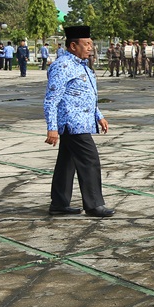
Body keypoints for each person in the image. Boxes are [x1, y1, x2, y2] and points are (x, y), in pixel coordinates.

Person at [44, 25, 112, 217]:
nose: (91, 47)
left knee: (67, 162)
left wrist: (99, 115)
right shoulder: (63, 65)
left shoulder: (81, 65)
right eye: (86, 44)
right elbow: (52, 99)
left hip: (82, 121)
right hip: (71, 122)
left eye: (91, 43)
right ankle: (93, 205)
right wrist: (52, 127)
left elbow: (85, 95)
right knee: (90, 160)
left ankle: (59, 203)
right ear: (73, 46)